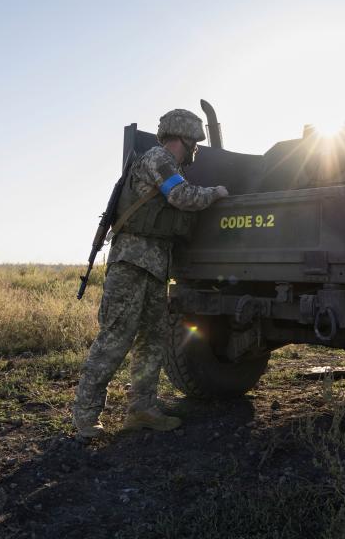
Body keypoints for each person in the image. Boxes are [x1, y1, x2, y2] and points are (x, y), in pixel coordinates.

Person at [72, 109, 228, 441]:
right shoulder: (158, 159)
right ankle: (86, 418)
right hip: (132, 263)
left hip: (155, 266)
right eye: (193, 143)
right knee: (115, 339)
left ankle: (141, 409)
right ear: (183, 139)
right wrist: (216, 193)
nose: (195, 150)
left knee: (151, 341)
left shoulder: (160, 161)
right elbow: (181, 196)